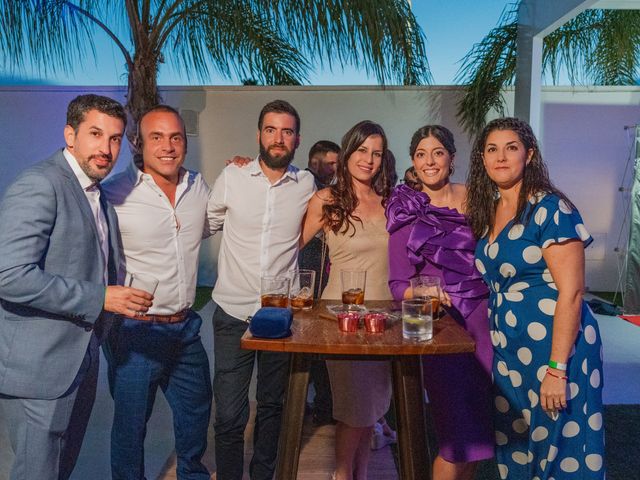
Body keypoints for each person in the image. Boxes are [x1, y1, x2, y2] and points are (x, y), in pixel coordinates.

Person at [0, 94, 153, 480]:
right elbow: (9, 274)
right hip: (38, 370)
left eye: (115, 138)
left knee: (59, 470)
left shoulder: (96, 194)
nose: (106, 149)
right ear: (70, 135)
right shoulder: (41, 184)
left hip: (79, 359)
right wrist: (101, 297)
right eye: (96, 134)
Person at [466, 117, 605, 479]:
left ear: (529, 155)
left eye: (511, 148)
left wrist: (557, 370)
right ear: (482, 159)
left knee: (562, 447)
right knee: (516, 445)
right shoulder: (490, 212)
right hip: (509, 349)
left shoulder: (550, 208)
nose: (501, 157)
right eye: (492, 149)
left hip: (556, 347)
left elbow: (572, 291)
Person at [102, 105, 214, 480]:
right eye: (157, 137)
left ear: (185, 141)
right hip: (135, 333)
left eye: (176, 137)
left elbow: (216, 220)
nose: (168, 146)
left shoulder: (198, 186)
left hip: (184, 328)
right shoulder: (115, 194)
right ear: (139, 143)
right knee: (131, 430)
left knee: (197, 413)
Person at [208, 99, 316, 480]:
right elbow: (209, 221)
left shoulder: (307, 184)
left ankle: (263, 474)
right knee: (229, 413)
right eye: (271, 129)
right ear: (259, 135)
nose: (278, 138)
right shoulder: (232, 178)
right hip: (232, 313)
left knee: (273, 405)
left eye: (286, 131)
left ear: (297, 139)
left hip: (279, 315)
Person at [386, 125, 494, 480]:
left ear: (452, 158)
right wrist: (425, 293)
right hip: (441, 328)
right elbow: (398, 284)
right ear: (413, 162)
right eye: (420, 154)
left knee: (480, 433)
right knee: (455, 436)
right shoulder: (407, 209)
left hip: (485, 323)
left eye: (437, 153)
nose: (429, 161)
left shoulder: (478, 201)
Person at [301, 120, 396, 480]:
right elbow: (290, 250)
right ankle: (342, 475)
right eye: (361, 150)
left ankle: (361, 473)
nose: (368, 159)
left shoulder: (391, 201)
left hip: (386, 320)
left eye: (376, 153)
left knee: (371, 411)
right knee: (353, 411)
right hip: (342, 320)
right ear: (347, 152)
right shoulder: (327, 199)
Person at [299, 140, 340, 426]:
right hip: (307, 267)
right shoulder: (305, 186)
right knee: (310, 336)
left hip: (318, 268)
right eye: (332, 163)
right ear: (316, 163)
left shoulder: (327, 189)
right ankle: (318, 405)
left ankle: (320, 405)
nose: (337, 168)